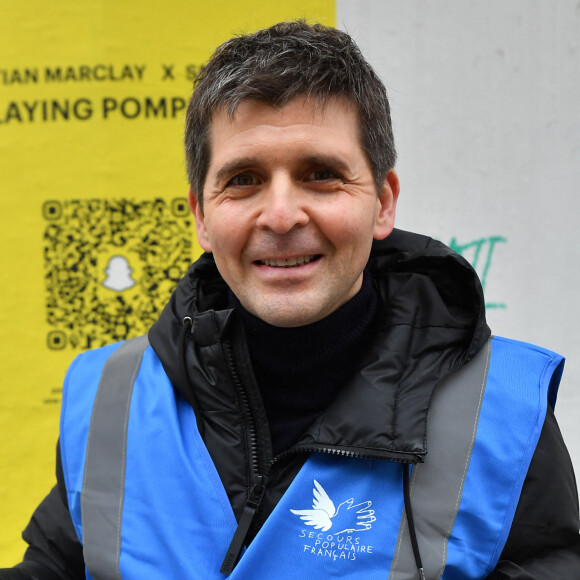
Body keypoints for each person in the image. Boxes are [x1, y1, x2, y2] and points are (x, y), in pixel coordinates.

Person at [2, 20, 580, 580]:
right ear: (202, 216)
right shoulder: (111, 397)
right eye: (243, 179)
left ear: (382, 202)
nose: (280, 216)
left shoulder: (500, 410)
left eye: (321, 174)